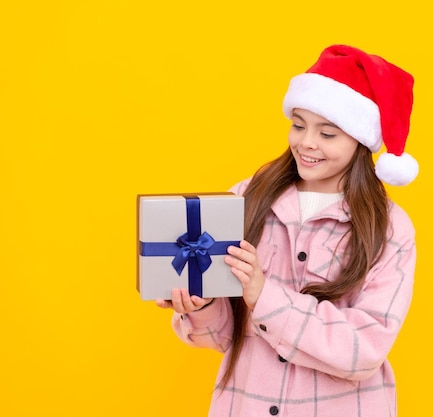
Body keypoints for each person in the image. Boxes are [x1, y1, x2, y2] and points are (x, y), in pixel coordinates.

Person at [156, 44, 419, 417]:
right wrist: (201, 305)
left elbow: (364, 351)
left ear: (361, 141)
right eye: (298, 125)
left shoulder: (390, 229)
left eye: (327, 134)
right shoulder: (244, 198)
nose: (306, 143)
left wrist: (265, 295)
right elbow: (224, 339)